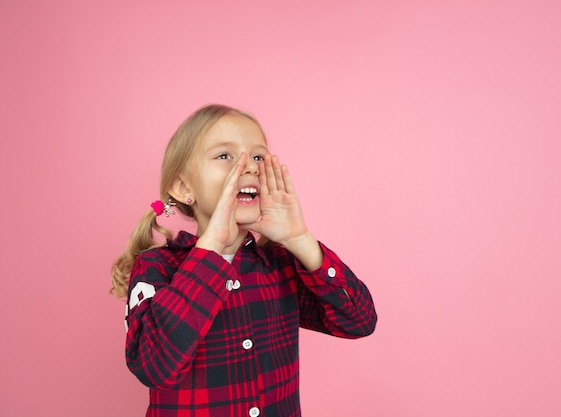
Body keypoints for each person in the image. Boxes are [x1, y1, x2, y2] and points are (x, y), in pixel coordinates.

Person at [111, 104, 377, 417]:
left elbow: (358, 320)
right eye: (225, 155)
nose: (248, 166)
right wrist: (213, 250)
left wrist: (299, 239)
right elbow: (154, 366)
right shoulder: (157, 267)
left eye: (258, 157)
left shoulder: (279, 264)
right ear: (184, 188)